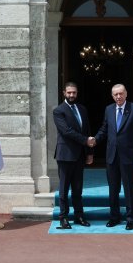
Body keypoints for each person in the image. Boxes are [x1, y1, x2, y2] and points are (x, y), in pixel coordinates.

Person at [93, 84, 133, 230]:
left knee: (130, 189)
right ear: (112, 96)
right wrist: (95, 139)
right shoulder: (109, 109)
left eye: (121, 93)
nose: (118, 97)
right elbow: (104, 128)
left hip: (129, 156)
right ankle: (114, 217)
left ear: (126, 94)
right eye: (115, 94)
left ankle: (131, 219)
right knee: (113, 189)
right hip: (112, 156)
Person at [53, 82, 93, 229]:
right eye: (69, 92)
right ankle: (63, 218)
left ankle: (79, 216)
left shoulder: (82, 109)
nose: (71, 95)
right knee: (64, 189)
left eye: (74, 92)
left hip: (80, 155)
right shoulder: (59, 111)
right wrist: (85, 140)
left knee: (78, 189)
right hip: (65, 155)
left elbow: (87, 130)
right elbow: (66, 131)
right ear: (64, 93)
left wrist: (89, 152)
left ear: (77, 93)